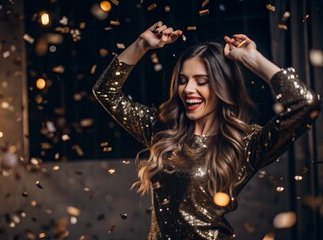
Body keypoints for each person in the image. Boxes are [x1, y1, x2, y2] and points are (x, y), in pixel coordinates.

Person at [92, 21, 321, 239]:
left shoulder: (246, 142)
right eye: (183, 80)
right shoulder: (162, 129)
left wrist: (253, 59)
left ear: (222, 87)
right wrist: (141, 45)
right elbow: (106, 92)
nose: (188, 89)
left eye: (201, 82)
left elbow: (305, 103)